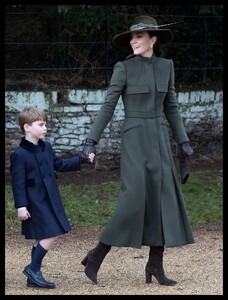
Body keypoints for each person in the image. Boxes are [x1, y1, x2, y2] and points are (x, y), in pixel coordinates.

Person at [80, 15, 195, 286]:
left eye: (140, 36)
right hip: (133, 136)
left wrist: (184, 142)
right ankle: (97, 254)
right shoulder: (123, 68)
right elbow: (108, 105)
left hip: (159, 136)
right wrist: (90, 140)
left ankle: (155, 264)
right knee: (133, 198)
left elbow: (172, 107)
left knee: (162, 198)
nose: (134, 41)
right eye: (132, 37)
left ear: (152, 40)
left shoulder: (167, 66)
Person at [10, 107, 95, 289]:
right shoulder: (19, 154)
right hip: (34, 201)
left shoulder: (46, 147)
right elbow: (18, 184)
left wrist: (81, 159)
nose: (45, 128)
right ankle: (33, 269)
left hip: (50, 199)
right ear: (27, 127)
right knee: (52, 231)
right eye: (41, 125)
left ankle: (34, 276)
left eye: (45, 124)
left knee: (41, 236)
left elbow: (60, 164)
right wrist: (21, 206)